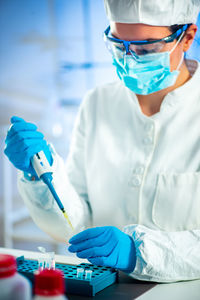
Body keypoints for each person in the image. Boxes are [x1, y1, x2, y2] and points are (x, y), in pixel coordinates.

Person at [4, 0, 200, 282]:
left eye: (145, 50)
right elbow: (74, 222)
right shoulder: (98, 103)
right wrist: (39, 174)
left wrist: (140, 252)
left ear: (187, 37)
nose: (129, 59)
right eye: (119, 45)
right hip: (104, 286)